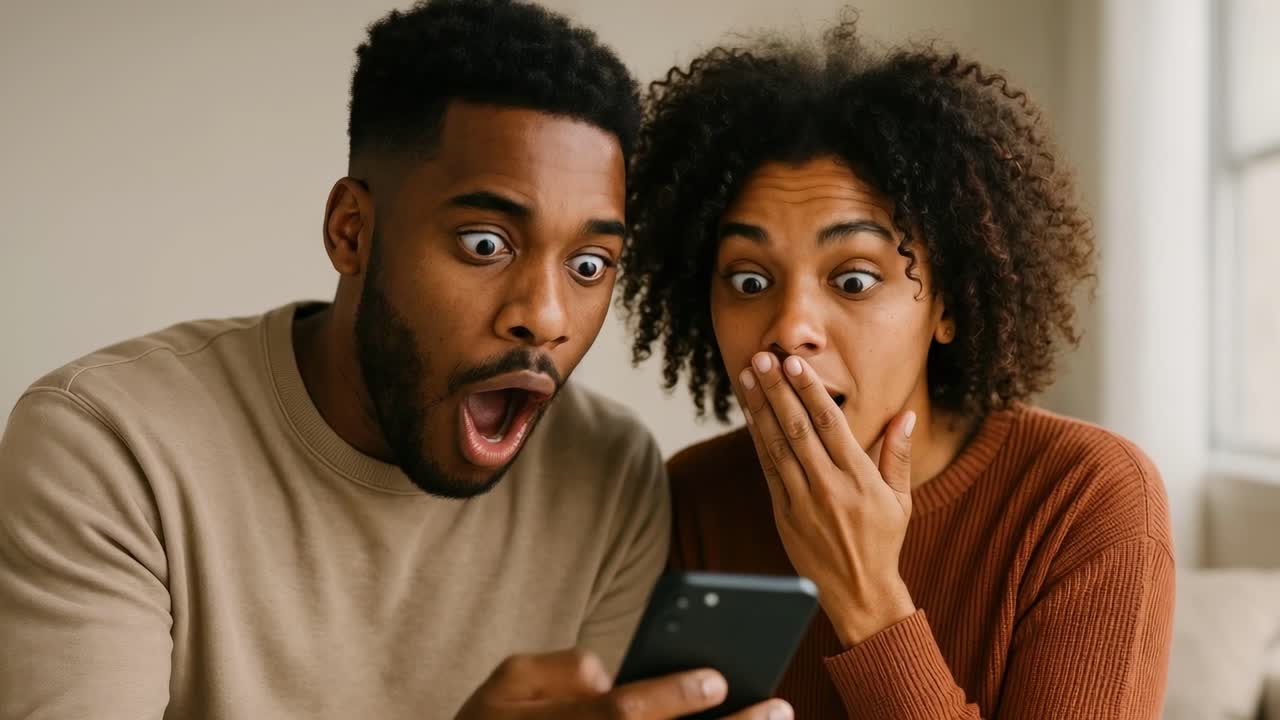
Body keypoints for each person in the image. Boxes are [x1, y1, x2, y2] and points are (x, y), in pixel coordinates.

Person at [0, 2, 790, 719]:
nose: (545, 317)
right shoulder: (108, 443)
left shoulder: (610, 475)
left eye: (590, 266)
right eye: (486, 243)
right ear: (351, 231)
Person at [620, 18, 1175, 720]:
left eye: (853, 280)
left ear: (945, 304)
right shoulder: (690, 500)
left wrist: (867, 599)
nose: (790, 328)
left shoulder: (1084, 498)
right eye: (750, 281)